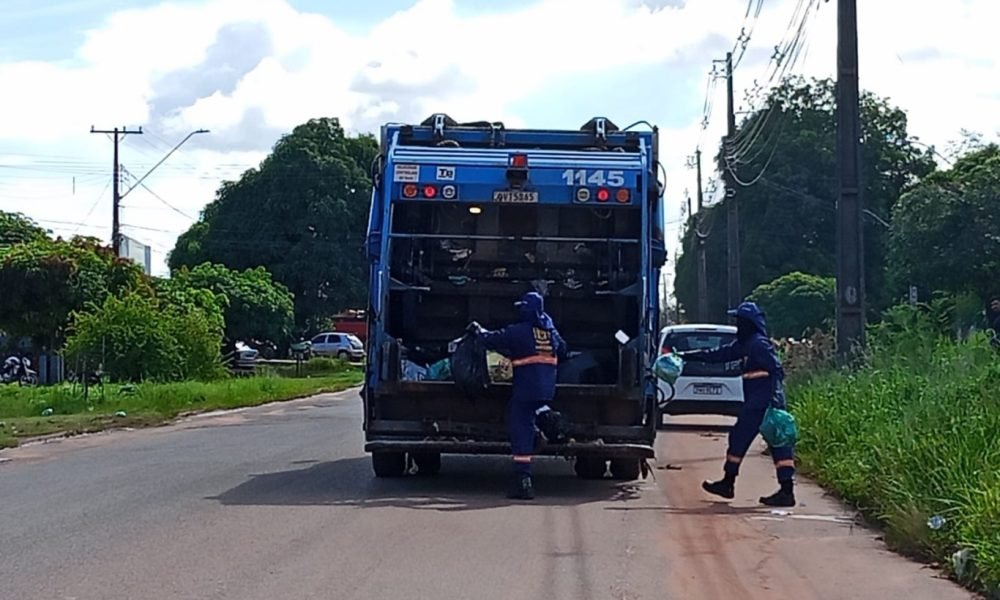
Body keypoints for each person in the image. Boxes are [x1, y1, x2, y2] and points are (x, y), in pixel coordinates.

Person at [677, 301, 797, 507]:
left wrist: (775, 400)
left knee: (748, 438)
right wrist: (686, 356)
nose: (737, 325)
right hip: (758, 401)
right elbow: (718, 355)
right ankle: (783, 491)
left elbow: (776, 370)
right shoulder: (746, 344)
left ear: (748, 323)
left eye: (739, 321)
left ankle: (730, 483)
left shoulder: (758, 344)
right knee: (776, 444)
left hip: (763, 402)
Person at [469, 291, 568, 500]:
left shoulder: (519, 331)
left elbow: (492, 339)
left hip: (526, 389)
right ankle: (548, 420)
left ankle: (523, 481)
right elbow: (563, 349)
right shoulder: (550, 333)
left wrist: (478, 332)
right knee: (533, 410)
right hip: (546, 388)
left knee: (520, 429)